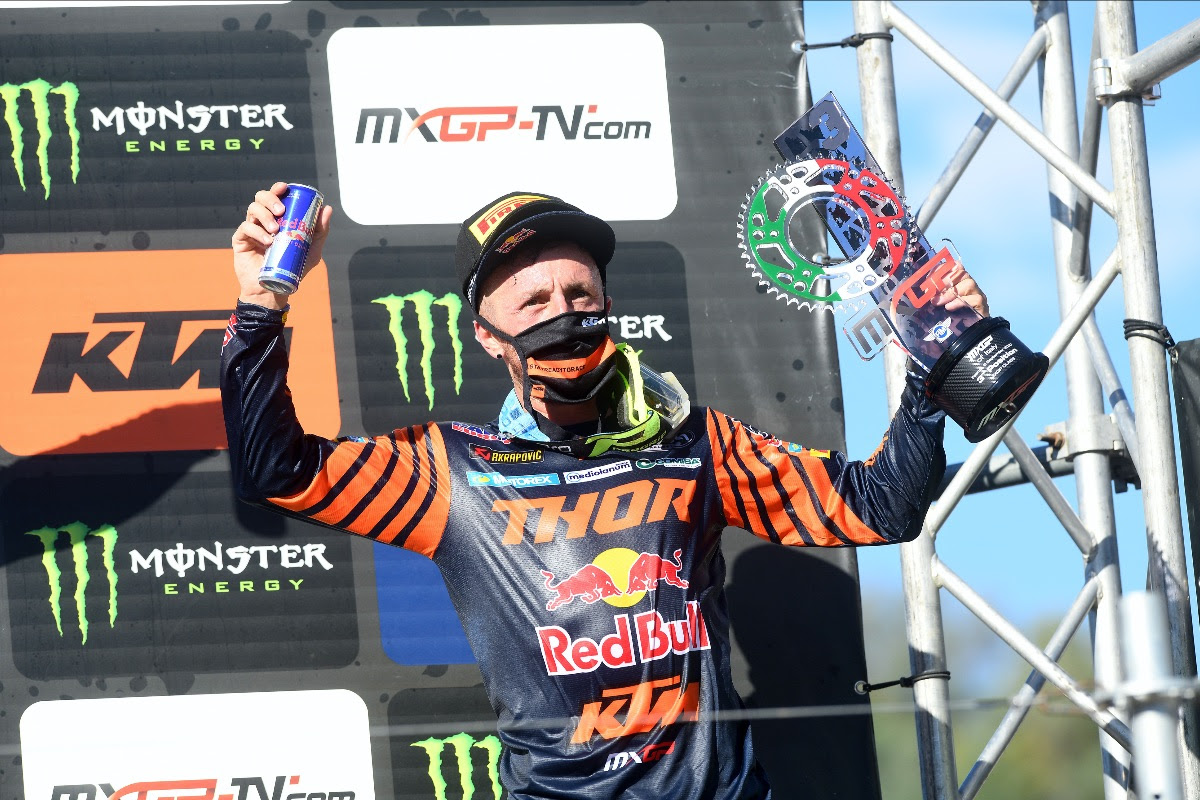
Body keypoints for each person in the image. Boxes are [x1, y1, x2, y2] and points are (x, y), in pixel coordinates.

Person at [221, 183, 988, 799]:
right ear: (485, 334)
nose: (563, 312)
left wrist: (934, 363)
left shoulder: (693, 440)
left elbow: (880, 506)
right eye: (533, 302)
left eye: (579, 293)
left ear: (608, 303)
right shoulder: (448, 468)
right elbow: (275, 471)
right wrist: (262, 302)